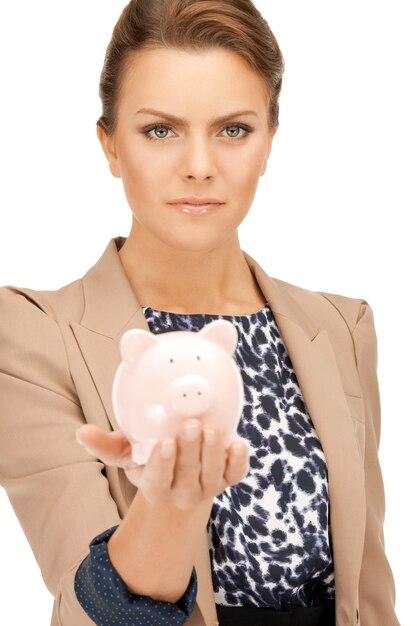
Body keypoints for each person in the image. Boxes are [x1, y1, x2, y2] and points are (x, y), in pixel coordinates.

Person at [0, 1, 400, 625]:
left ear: (270, 140)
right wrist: (170, 504)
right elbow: (88, 607)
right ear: (108, 144)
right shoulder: (31, 334)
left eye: (233, 129)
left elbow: (370, 594)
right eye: (160, 129)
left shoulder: (342, 329)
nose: (198, 165)